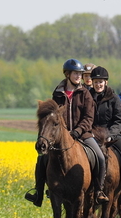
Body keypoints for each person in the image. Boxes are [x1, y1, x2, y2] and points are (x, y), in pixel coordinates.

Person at [25, 58, 108, 207]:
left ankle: (98, 191)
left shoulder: (85, 94)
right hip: (60, 137)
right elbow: (52, 116)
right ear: (67, 74)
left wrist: (77, 131)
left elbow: (88, 118)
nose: (78, 76)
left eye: (80, 74)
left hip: (82, 135)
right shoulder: (57, 93)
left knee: (100, 157)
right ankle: (38, 192)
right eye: (75, 73)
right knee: (42, 158)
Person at [90, 66, 121, 204]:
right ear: (92, 83)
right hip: (92, 135)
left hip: (111, 135)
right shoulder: (87, 97)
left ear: (106, 82)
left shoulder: (114, 98)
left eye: (101, 82)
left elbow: (119, 120)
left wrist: (111, 134)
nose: (98, 84)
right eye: (96, 82)